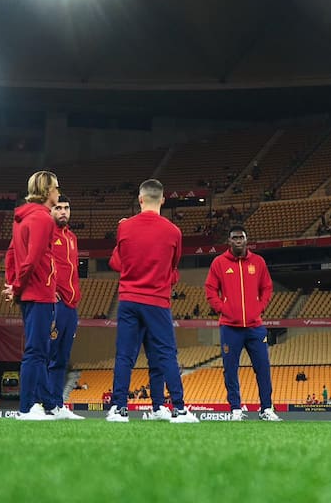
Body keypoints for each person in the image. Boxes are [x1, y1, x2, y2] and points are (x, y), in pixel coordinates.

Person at [106, 179, 197, 423]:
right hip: (157, 300)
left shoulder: (125, 228)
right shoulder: (174, 232)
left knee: (125, 355)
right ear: (163, 200)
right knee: (166, 353)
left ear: (140, 199)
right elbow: (173, 268)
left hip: (128, 299)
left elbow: (115, 262)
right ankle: (178, 408)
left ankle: (118, 408)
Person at [204, 226, 280, 421]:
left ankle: (266, 409)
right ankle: (236, 409)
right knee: (230, 369)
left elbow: (267, 287)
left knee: (263, 367)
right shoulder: (219, 263)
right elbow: (210, 290)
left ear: (247, 240)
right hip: (230, 327)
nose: (238, 240)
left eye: (241, 237)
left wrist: (259, 307)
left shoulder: (258, 262)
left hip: (255, 326)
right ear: (229, 241)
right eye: (235, 238)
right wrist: (222, 308)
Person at [3, 170, 62, 420]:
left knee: (38, 350)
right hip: (39, 293)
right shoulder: (42, 219)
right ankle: (27, 407)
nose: (58, 192)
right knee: (36, 352)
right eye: (56, 188)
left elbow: (11, 254)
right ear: (48, 191)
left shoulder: (21, 218)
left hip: (30, 292)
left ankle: (48, 404)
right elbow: (33, 259)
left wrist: (12, 284)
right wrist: (16, 287)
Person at [45, 195, 83, 419]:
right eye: (58, 208)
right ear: (50, 210)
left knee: (62, 357)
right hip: (55, 304)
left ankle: (57, 405)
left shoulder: (72, 237)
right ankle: (43, 402)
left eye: (67, 208)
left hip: (71, 306)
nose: (63, 212)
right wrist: (50, 292)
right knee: (48, 354)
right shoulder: (47, 235)